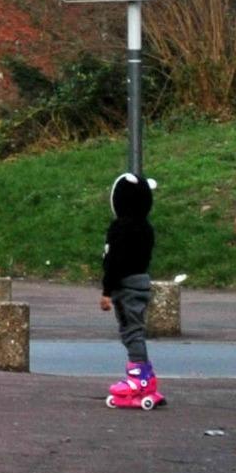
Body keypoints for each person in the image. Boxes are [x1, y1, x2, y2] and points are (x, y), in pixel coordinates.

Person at [101, 173, 164, 409]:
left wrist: (107, 291)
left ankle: (137, 376)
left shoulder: (119, 228)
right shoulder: (146, 228)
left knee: (131, 331)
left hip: (125, 286)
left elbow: (114, 262)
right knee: (135, 328)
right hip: (141, 281)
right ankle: (145, 376)